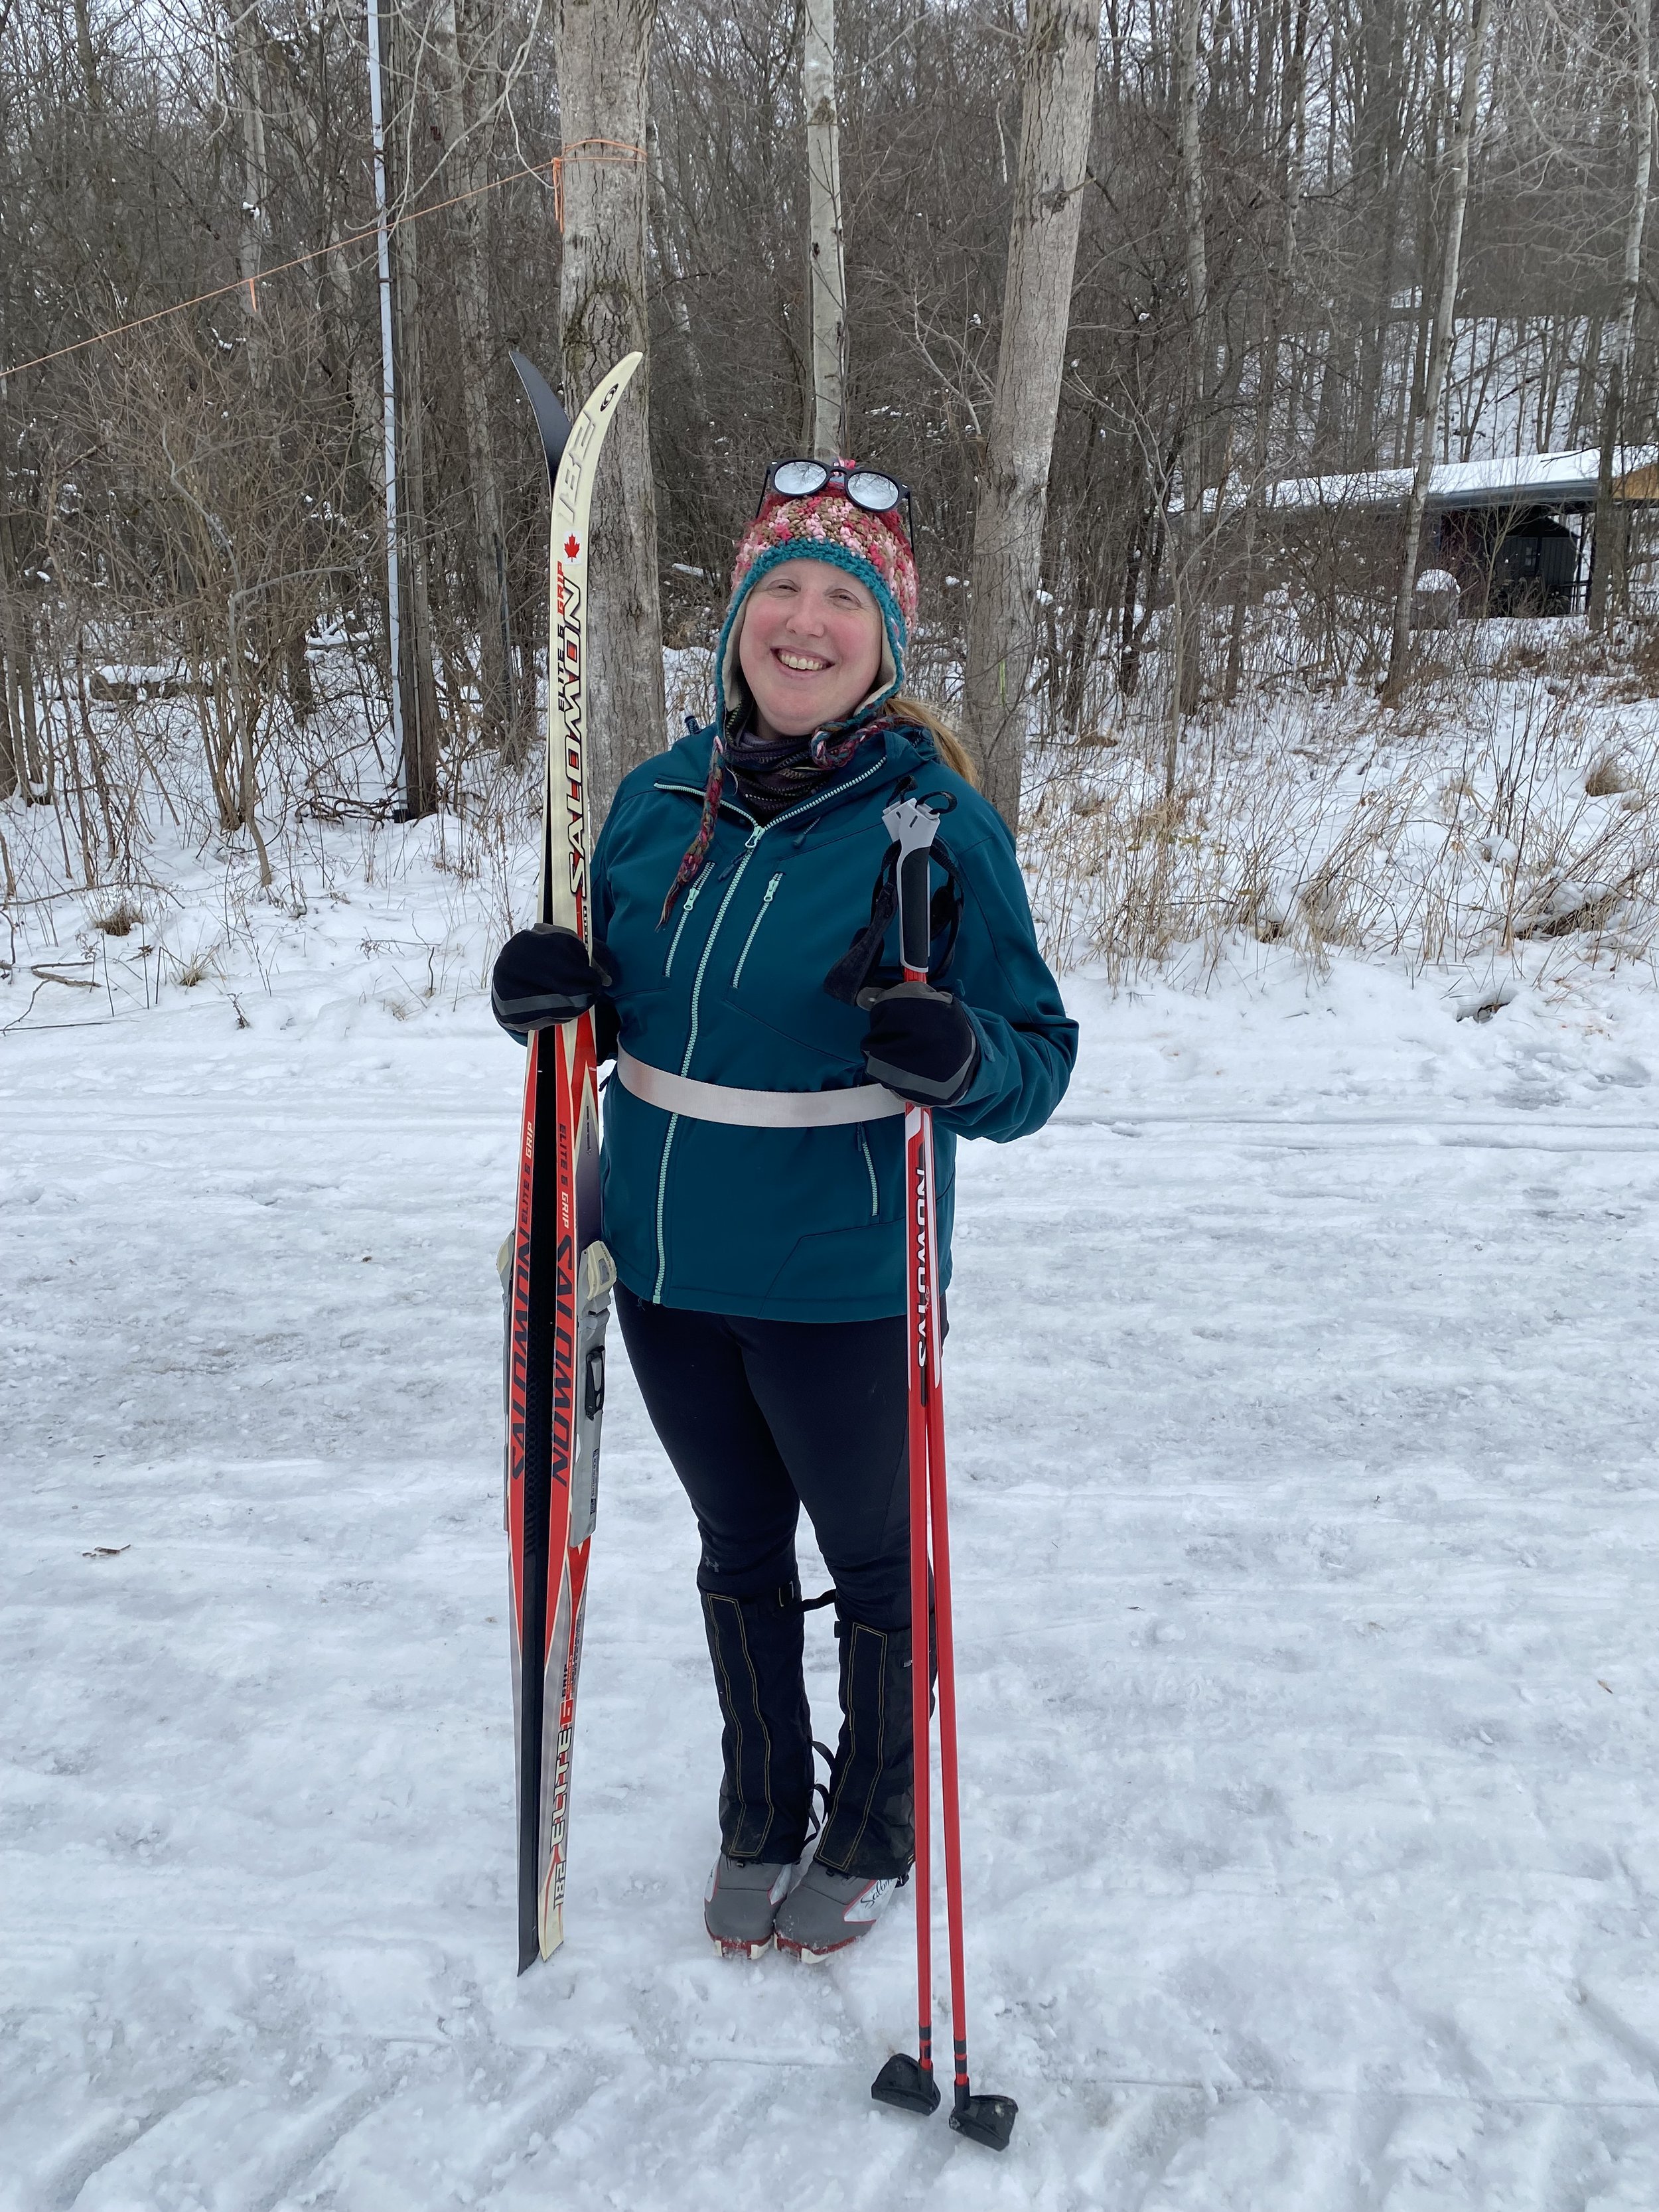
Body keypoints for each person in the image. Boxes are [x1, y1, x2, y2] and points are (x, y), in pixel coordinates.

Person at [491, 457, 1076, 1961]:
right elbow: (614, 994)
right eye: (781, 591)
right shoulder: (651, 803)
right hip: (667, 1261)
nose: (805, 623)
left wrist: (964, 1057)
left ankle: (872, 1816)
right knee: (734, 1539)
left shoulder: (935, 826)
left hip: (843, 1267)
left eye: (842, 597)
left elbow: (1035, 1059)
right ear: (738, 620)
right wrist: (549, 996)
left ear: (884, 641)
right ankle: (761, 1805)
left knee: (872, 1558)